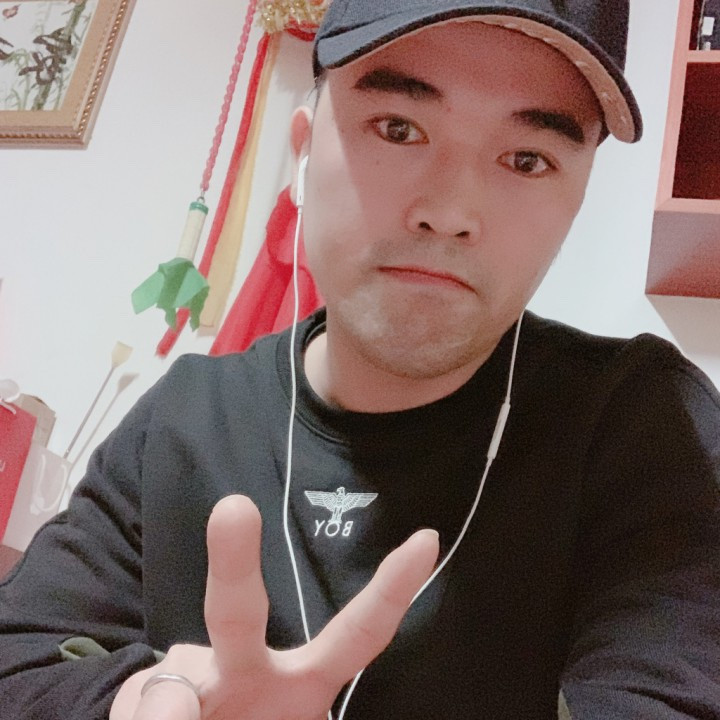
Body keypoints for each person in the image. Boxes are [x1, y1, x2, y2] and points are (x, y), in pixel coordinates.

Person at [1, 1, 719, 718]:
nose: (450, 212)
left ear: (578, 198)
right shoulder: (185, 420)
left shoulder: (644, 425)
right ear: (304, 153)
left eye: (527, 159)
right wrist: (140, 699)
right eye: (398, 128)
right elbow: (20, 658)